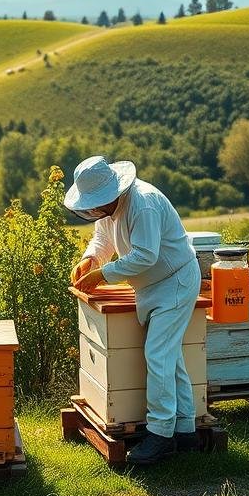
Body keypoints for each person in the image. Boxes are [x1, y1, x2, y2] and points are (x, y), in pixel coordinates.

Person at [66, 155, 200, 464]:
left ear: (111, 192)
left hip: (175, 281)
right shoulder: (109, 206)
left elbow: (145, 255)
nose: (93, 209)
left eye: (95, 203)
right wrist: (91, 260)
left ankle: (161, 435)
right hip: (151, 286)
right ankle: (185, 431)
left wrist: (103, 275)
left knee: (158, 354)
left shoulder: (144, 203)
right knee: (169, 357)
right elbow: (103, 238)